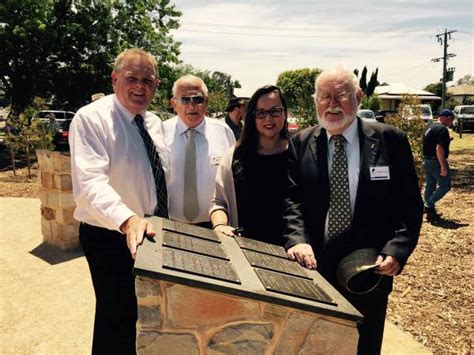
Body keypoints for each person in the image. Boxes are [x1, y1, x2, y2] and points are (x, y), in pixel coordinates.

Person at [283, 67, 423, 355]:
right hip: (313, 267)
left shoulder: (390, 140)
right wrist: (297, 240)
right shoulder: (300, 142)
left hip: (367, 270)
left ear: (358, 97)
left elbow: (408, 204)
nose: (332, 104)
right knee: (313, 343)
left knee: (364, 343)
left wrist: (396, 250)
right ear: (316, 102)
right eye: (324, 97)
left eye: (341, 95)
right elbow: (291, 199)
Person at [69, 48, 168, 354]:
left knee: (147, 316)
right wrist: (128, 220)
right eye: (132, 78)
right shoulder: (91, 119)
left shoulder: (154, 122)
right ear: (114, 80)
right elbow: (91, 183)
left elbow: (160, 177)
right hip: (111, 235)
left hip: (149, 233)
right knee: (117, 317)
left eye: (148, 80)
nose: (140, 86)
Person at [210, 86, 289, 244]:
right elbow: (218, 202)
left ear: (285, 113)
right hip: (248, 250)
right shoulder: (235, 157)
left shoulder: (298, 154)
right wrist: (219, 225)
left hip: (293, 252)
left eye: (275, 111)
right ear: (252, 116)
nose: (268, 119)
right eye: (261, 113)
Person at [164, 74, 235, 227]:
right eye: (185, 99)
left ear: (207, 101)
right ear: (174, 103)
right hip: (170, 223)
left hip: (216, 225)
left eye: (198, 99)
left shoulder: (224, 132)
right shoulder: (160, 133)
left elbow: (233, 177)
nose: (192, 106)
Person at [422, 108, 454, 222]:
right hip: (436, 161)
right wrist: (443, 166)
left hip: (427, 159)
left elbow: (431, 143)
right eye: (451, 120)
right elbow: (439, 148)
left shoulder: (430, 127)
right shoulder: (442, 129)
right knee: (445, 185)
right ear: (447, 118)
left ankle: (430, 212)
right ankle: (428, 205)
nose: (451, 123)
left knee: (430, 185)